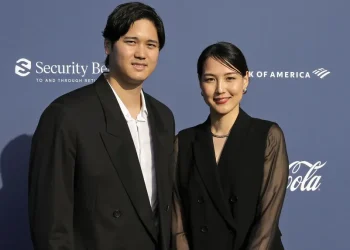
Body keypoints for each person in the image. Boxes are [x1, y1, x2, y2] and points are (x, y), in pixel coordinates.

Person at [28, 2, 175, 250]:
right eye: (131, 42)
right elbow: (51, 225)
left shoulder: (163, 116)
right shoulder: (66, 114)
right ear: (108, 46)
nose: (142, 53)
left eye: (151, 45)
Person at [172, 42, 289, 250]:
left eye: (230, 78)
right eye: (210, 79)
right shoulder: (184, 141)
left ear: (245, 80)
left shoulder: (267, 135)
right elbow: (177, 218)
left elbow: (267, 222)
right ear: (200, 85)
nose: (220, 89)